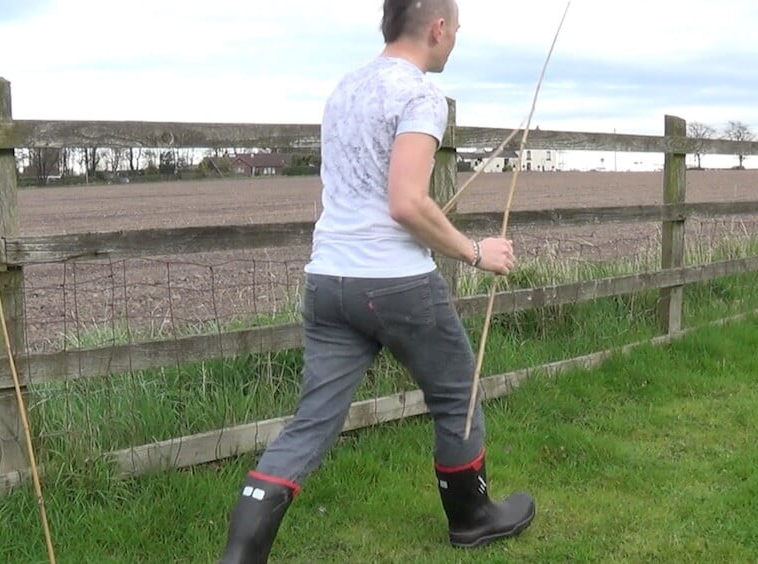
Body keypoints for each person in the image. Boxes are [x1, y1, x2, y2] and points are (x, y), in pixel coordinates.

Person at [219, 1, 534, 561]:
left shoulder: (346, 88)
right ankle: (472, 518)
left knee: (311, 422)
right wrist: (476, 252)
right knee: (457, 394)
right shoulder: (419, 95)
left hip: (328, 283)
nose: (456, 37)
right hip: (395, 285)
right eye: (457, 28)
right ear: (437, 28)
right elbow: (406, 203)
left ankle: (239, 558)